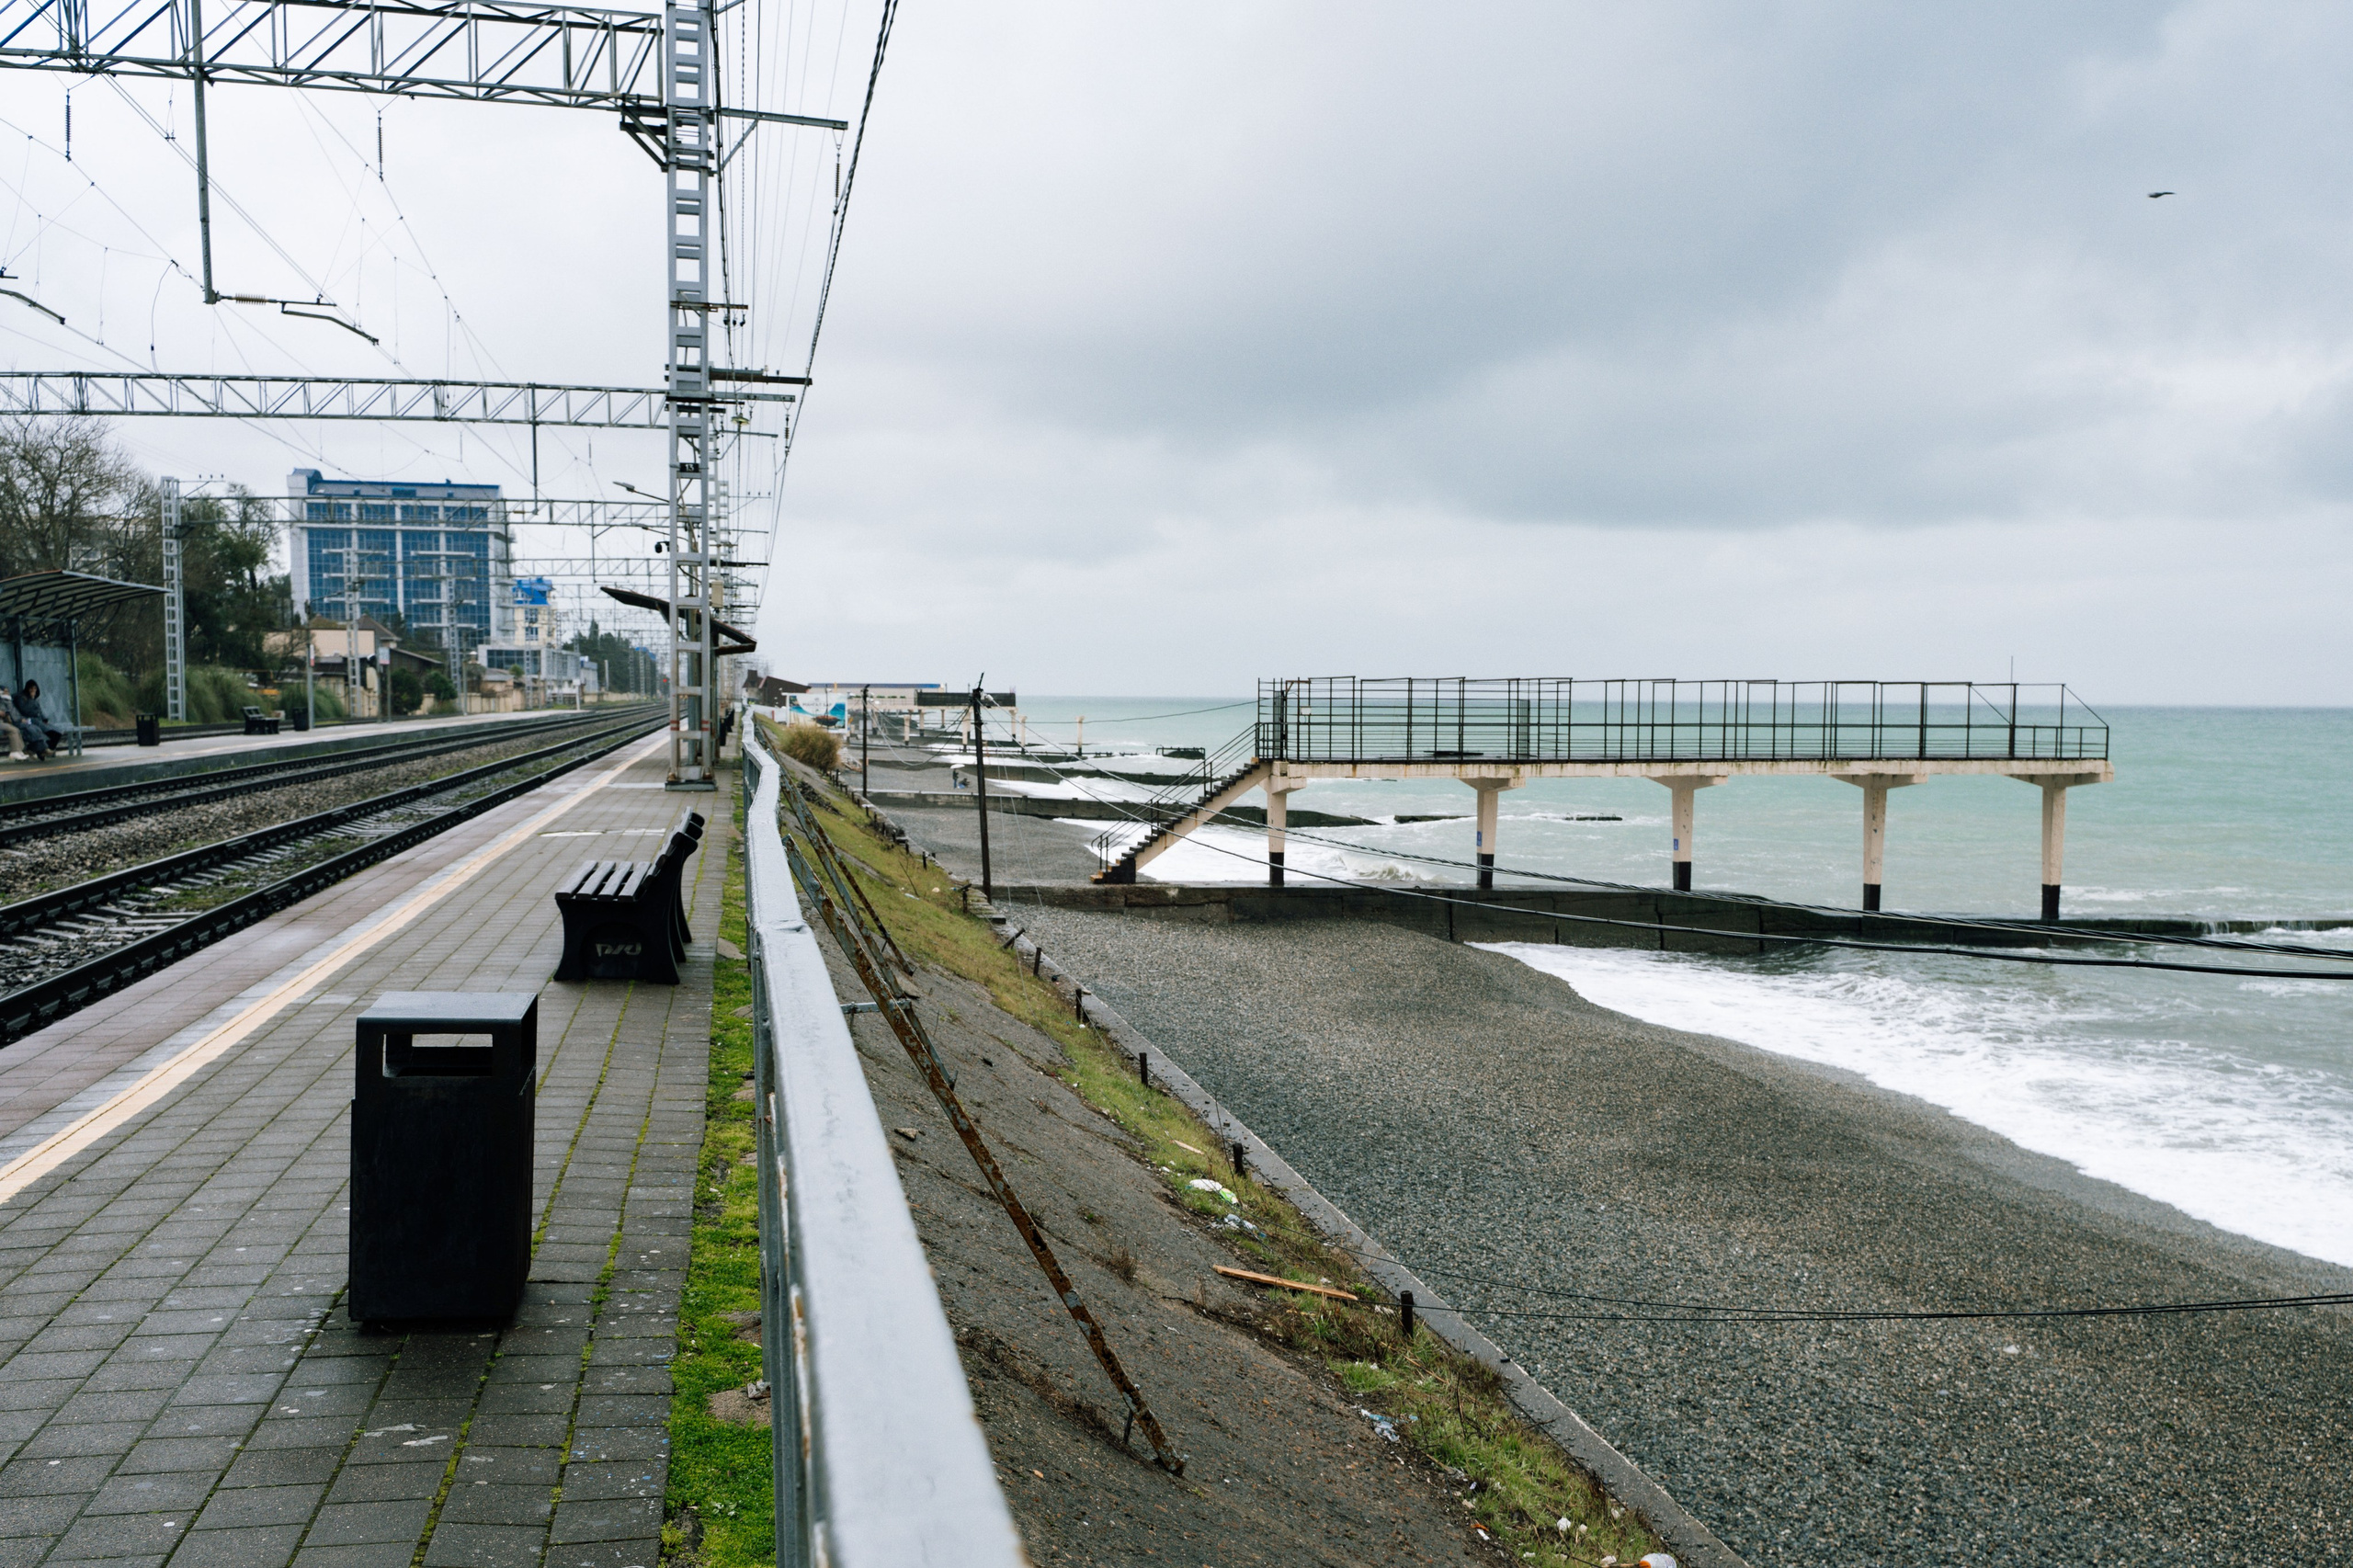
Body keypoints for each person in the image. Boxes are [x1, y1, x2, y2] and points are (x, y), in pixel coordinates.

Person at [15, 680, 60, 758]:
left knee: (56, 731)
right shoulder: (22, 697)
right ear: (27, 688)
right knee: (36, 730)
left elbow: (39, 710)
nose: (33, 690)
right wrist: (32, 699)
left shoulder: (34, 699)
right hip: (27, 720)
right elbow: (25, 710)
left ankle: (41, 750)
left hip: (37, 720)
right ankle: (42, 750)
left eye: (35, 688)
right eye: (31, 688)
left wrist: (44, 718)